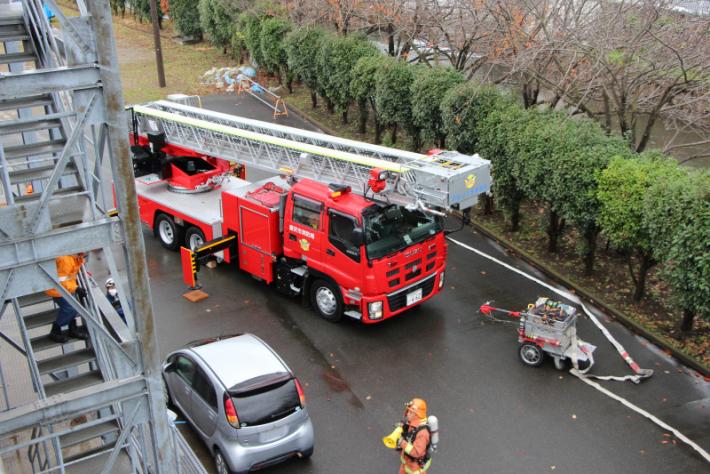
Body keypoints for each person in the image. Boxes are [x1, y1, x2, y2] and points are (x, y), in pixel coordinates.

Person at [45, 254, 88, 343]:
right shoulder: (65, 260)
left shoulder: (75, 257)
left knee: (74, 308)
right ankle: (55, 331)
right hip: (58, 289)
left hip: (66, 288)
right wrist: (76, 288)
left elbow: (69, 275)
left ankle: (72, 329)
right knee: (69, 309)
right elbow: (61, 280)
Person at [396, 398, 432, 474]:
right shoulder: (412, 423)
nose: (407, 413)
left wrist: (402, 443)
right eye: (408, 411)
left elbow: (416, 452)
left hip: (414, 468)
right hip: (406, 463)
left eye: (411, 412)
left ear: (417, 415)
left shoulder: (422, 433)